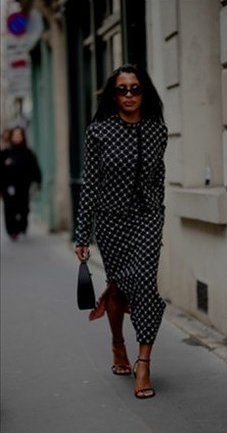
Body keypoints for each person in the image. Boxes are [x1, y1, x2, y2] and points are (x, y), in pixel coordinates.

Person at [74, 64, 167, 399]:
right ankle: (117, 343)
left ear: (145, 93)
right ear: (113, 95)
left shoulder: (157, 130)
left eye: (135, 89)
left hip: (147, 220)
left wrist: (157, 215)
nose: (129, 95)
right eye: (122, 90)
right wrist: (82, 234)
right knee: (116, 290)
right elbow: (90, 185)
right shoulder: (99, 131)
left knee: (144, 284)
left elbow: (159, 178)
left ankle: (143, 363)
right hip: (111, 222)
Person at [0, 126, 42, 240]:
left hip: (23, 186)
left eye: (20, 135)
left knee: (23, 209)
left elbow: (35, 168)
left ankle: (22, 226)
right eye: (15, 135)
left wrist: (38, 181)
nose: (17, 138)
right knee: (9, 209)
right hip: (8, 186)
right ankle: (12, 231)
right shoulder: (5, 153)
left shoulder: (28, 153)